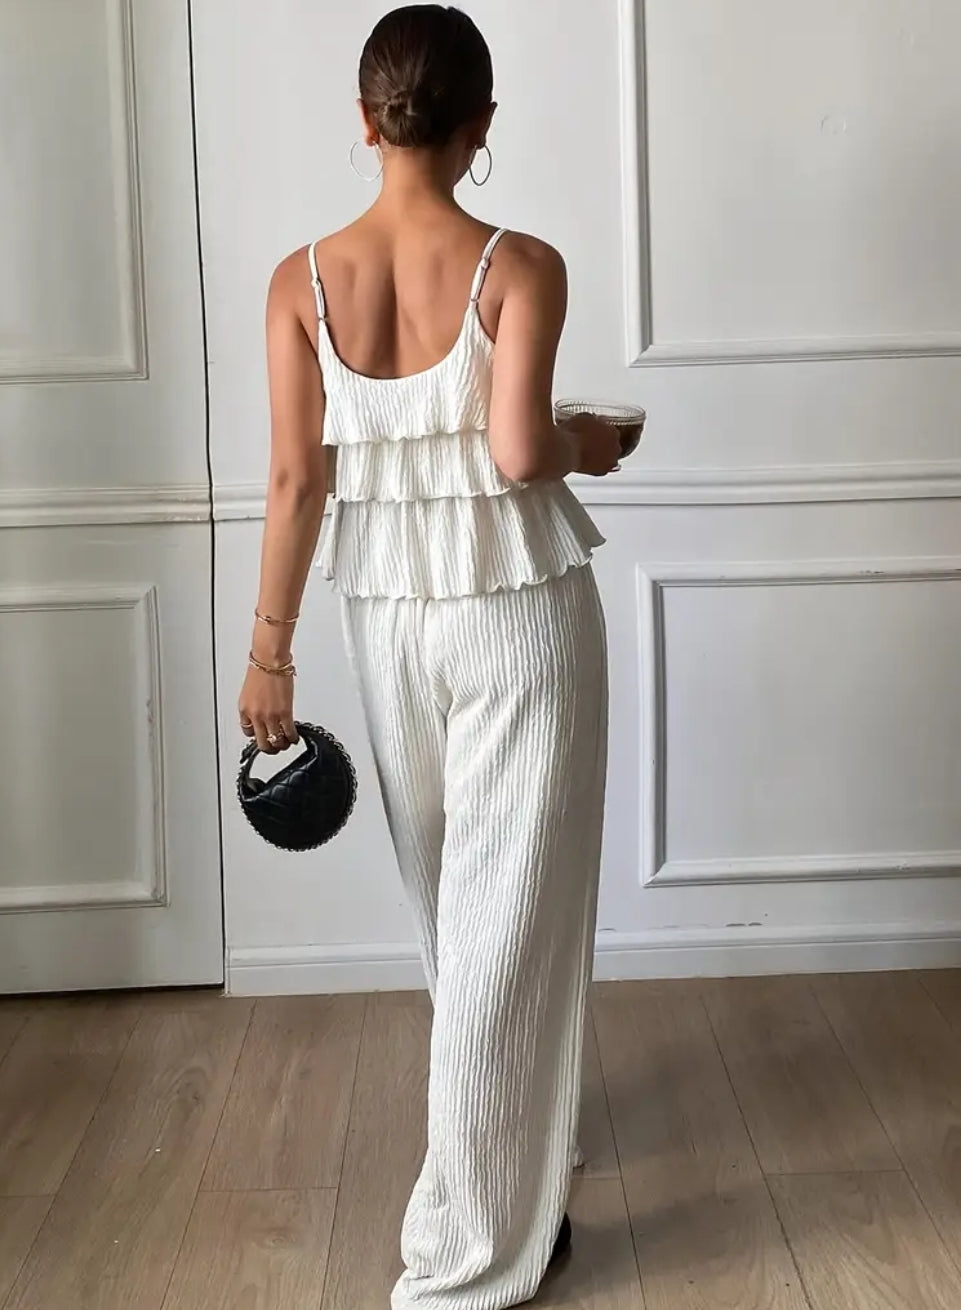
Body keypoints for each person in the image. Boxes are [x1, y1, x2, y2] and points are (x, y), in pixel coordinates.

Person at [238, 6, 620, 1306]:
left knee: (454, 911)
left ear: (366, 119)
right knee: (512, 912)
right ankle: (466, 1247)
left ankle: (515, 1156)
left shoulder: (299, 280)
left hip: (386, 613)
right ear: (481, 126)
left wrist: (270, 655)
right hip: (518, 609)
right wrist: (590, 441)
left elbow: (295, 481)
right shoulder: (523, 265)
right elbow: (519, 451)